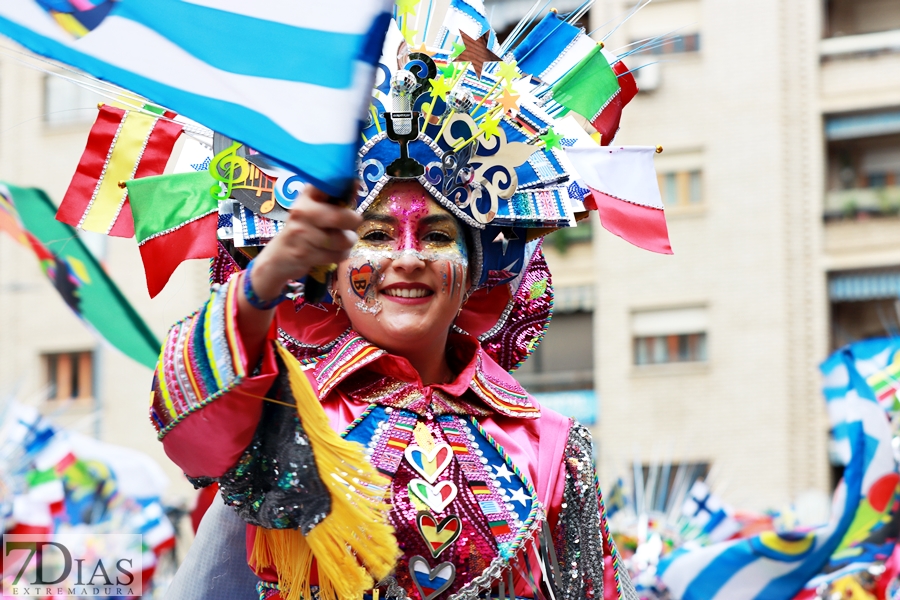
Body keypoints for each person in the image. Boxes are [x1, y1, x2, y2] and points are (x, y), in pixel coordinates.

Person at [150, 9, 653, 600]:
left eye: (438, 237)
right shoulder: (279, 412)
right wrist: (268, 277)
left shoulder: (547, 443)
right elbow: (188, 423)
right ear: (329, 274)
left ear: (476, 275)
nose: (408, 259)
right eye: (377, 236)